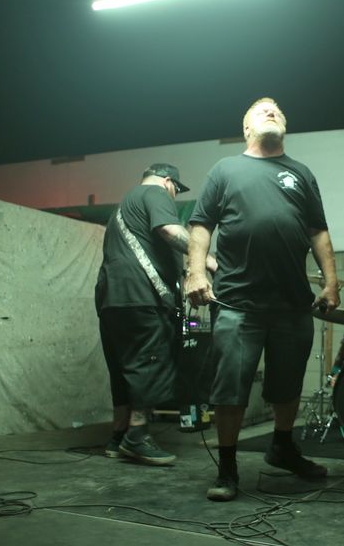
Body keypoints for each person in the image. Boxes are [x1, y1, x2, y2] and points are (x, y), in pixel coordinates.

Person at [185, 97, 340, 502]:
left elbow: (318, 231)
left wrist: (331, 282)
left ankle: (282, 447)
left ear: (284, 126)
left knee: (287, 385)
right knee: (231, 388)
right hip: (238, 302)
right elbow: (201, 226)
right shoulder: (225, 170)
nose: (271, 111)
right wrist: (196, 272)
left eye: (277, 110)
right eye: (261, 110)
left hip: (292, 303)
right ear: (247, 128)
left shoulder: (301, 173)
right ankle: (228, 467)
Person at [95, 163, 216, 465]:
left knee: (124, 368)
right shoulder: (155, 193)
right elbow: (170, 230)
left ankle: (118, 436)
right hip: (141, 297)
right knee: (150, 361)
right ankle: (137, 436)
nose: (174, 195)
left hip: (113, 299)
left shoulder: (123, 208)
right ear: (168, 181)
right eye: (176, 189)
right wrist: (206, 259)